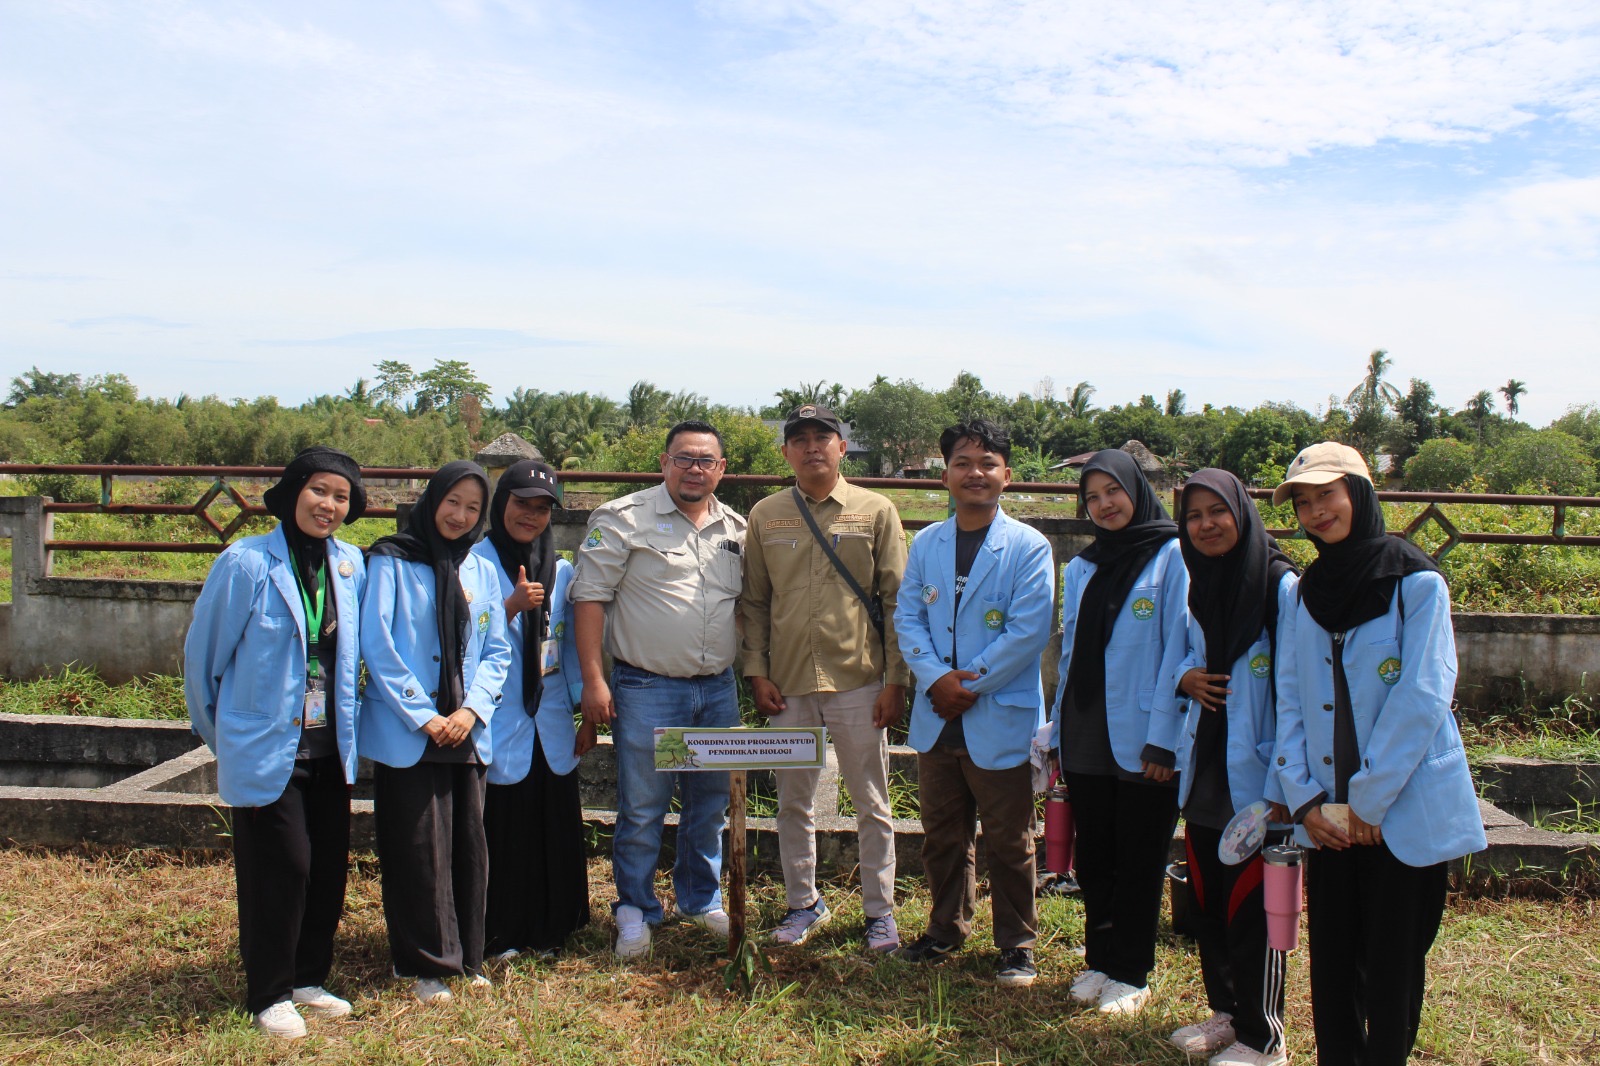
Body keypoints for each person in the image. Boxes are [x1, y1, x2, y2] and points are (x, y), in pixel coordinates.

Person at [1271, 442, 1485, 1066]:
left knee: (1393, 961)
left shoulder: (1415, 582)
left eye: (1326, 496)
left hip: (1400, 809)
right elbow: (1289, 696)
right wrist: (1304, 795)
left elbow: (1423, 695)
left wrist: (1369, 798)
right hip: (1328, 815)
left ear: (1360, 495)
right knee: (1333, 958)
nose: (1315, 512)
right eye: (1303, 503)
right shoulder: (1304, 591)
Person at [184, 446, 368, 1040]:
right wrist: (228, 738)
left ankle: (309, 978)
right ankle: (269, 991)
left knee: (324, 868)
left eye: (341, 497)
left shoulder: (350, 565)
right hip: (267, 745)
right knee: (278, 868)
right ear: (292, 493)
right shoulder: (245, 563)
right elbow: (204, 661)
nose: (329, 505)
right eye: (319, 491)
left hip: (329, 743)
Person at [570, 420, 747, 958]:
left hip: (715, 689)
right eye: (685, 458)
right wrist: (595, 680)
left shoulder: (736, 529)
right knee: (644, 804)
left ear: (721, 470)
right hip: (646, 686)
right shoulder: (623, 518)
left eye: (706, 461)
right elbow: (590, 598)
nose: (695, 469)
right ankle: (636, 909)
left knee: (709, 802)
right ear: (665, 463)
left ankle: (700, 899)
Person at [740, 404, 910, 953]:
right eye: (800, 439)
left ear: (842, 447)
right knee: (793, 800)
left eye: (823, 437)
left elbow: (896, 599)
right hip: (787, 684)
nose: (812, 447)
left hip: (859, 679)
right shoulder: (766, 514)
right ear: (786, 451)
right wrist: (757, 670)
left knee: (871, 802)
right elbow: (756, 602)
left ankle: (879, 912)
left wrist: (895, 679)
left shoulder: (876, 510)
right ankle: (802, 903)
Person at [893, 419, 1054, 988]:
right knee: (942, 833)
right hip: (939, 715)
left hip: (996, 712)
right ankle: (944, 930)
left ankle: (1016, 945)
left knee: (1010, 839)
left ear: (1006, 475)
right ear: (946, 476)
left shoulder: (1030, 547)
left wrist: (968, 685)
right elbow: (907, 616)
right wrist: (937, 680)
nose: (975, 473)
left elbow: (1029, 632)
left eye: (987, 463)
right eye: (963, 463)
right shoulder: (927, 543)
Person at [359, 461, 512, 1004]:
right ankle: (421, 963)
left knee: (468, 848)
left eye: (473, 508)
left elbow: (498, 650)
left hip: (465, 730)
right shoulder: (391, 560)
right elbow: (377, 643)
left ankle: (467, 956)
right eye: (453, 502)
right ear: (432, 500)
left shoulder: (481, 568)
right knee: (418, 849)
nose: (461, 515)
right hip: (413, 729)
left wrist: (471, 711)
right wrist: (423, 715)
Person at [1169, 469, 1299, 1066]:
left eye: (1216, 511)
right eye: (1193, 516)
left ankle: (1262, 1035)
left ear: (1242, 512)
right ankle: (1226, 1012)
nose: (1205, 525)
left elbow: (1298, 692)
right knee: (1210, 902)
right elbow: (1180, 658)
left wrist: (1284, 784)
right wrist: (1184, 679)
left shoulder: (1280, 588)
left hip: (1259, 777)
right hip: (1206, 771)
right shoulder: (1198, 585)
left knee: (1253, 908)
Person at [1052, 448, 1189, 1014]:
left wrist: (1166, 738)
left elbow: (1182, 649)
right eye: (1092, 496)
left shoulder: (1173, 557)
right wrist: (1055, 728)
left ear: (1137, 489)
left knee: (1140, 851)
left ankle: (1132, 970)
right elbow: (1068, 654)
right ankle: (1098, 958)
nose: (1104, 504)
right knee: (1097, 852)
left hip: (1144, 733)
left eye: (1113, 491)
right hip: (1085, 726)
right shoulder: (1082, 567)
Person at [473, 459, 595, 959]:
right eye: (523, 504)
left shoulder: (560, 569)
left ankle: (554, 927)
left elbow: (564, 650)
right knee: (505, 827)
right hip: (497, 717)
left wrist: (584, 710)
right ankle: (502, 932)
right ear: (502, 503)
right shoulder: (474, 563)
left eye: (543, 508)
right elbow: (460, 641)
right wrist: (509, 608)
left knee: (553, 820)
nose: (532, 516)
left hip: (549, 719)